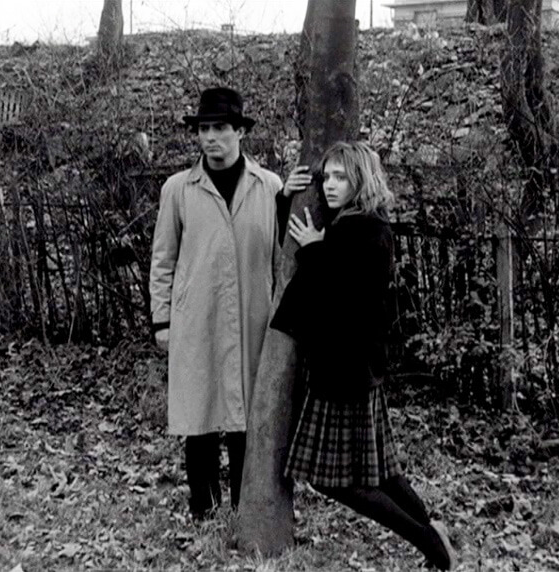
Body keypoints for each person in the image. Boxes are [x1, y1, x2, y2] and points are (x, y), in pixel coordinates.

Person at [270, 142, 457, 570]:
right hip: (350, 368)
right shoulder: (350, 224)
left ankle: (428, 540)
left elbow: (347, 300)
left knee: (335, 482)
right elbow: (297, 261)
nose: (330, 185)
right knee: (382, 471)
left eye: (341, 177)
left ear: (361, 180)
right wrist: (286, 201)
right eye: (327, 177)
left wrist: (315, 249)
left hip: (345, 372)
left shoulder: (366, 230)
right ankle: (434, 534)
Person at [149, 87, 300, 520]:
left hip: (254, 316)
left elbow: (282, 256)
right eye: (203, 129)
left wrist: (281, 317)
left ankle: (244, 506)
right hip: (197, 316)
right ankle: (205, 509)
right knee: (199, 413)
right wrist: (162, 320)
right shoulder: (178, 189)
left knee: (247, 415)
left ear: (240, 132)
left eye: (219, 128)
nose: (210, 137)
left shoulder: (268, 186)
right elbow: (163, 259)